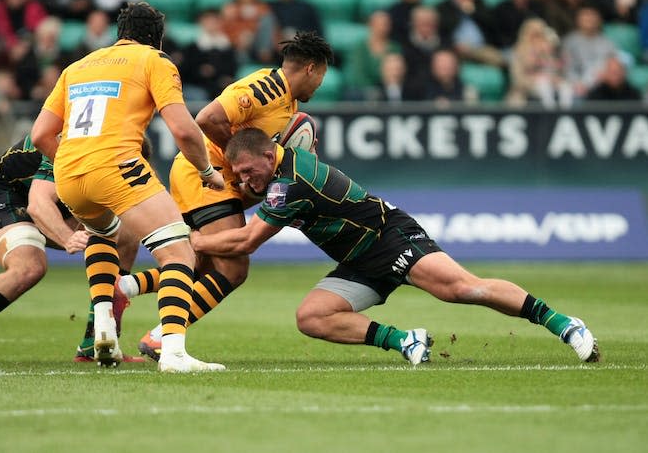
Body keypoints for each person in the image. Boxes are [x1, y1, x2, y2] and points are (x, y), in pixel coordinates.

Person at [189, 128, 601, 365]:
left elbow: (247, 240)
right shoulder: (281, 167)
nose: (246, 183)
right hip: (359, 260)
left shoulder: (291, 183)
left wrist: (196, 240)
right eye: (239, 176)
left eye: (248, 172)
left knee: (460, 289)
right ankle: (406, 340)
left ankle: (563, 323)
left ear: (267, 154)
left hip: (388, 237)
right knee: (312, 317)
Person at [31, 1, 226, 372]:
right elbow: (184, 129)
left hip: (69, 172)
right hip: (116, 165)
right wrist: (206, 171)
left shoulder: (78, 67)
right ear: (158, 38)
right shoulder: (155, 60)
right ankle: (173, 353)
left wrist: (75, 162)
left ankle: (104, 330)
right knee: (179, 252)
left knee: (103, 235)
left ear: (120, 33)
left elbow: (41, 133)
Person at [136, 31, 333, 361]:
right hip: (204, 174)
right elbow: (208, 118)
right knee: (233, 268)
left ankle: (126, 288)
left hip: (209, 177)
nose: (320, 86)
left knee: (205, 263)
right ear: (311, 68)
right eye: (322, 77)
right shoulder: (266, 88)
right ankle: (161, 337)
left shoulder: (290, 103)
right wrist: (238, 162)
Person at [0, 134, 144, 365]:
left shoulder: (114, 141)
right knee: (29, 267)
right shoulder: (71, 143)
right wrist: (67, 237)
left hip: (54, 197)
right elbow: (38, 204)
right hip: (2, 194)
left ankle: (96, 342)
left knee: (126, 236)